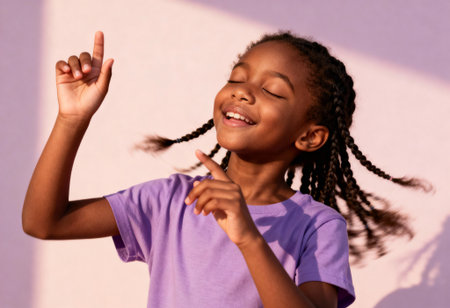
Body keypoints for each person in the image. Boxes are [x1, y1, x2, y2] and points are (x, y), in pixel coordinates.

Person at [22, 31, 426, 308]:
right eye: (237, 78)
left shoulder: (317, 226)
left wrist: (248, 236)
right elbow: (45, 223)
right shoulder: (171, 200)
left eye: (271, 90)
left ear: (309, 136)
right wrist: (72, 120)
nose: (241, 90)